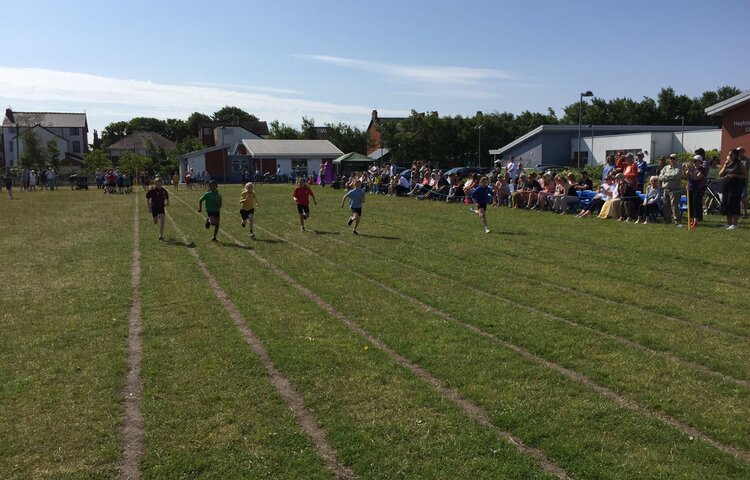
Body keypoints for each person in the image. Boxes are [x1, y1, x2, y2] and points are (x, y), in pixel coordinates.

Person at [719, 148, 747, 229]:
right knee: (726, 203)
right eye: (728, 154)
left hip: (735, 187)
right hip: (726, 186)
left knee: (733, 204)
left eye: (732, 154)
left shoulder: (739, 164)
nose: (730, 156)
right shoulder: (727, 164)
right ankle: (728, 223)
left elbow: (744, 176)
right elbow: (720, 174)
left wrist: (735, 175)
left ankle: (734, 224)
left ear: (736, 155)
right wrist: (725, 165)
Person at [658, 153, 684, 227]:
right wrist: (669, 177)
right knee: (666, 205)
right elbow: (660, 176)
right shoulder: (666, 167)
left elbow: (677, 175)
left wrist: (666, 176)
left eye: (674, 158)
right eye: (671, 158)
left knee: (674, 205)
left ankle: (677, 221)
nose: (672, 160)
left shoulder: (679, 167)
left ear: (676, 159)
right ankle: (667, 220)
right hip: (665, 188)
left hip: (675, 189)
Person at [684, 154, 707, 226]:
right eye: (693, 161)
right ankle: (691, 220)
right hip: (690, 188)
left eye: (695, 161)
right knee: (690, 204)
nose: (694, 162)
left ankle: (695, 221)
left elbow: (696, 178)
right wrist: (683, 168)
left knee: (695, 205)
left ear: (700, 161)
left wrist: (693, 170)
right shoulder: (692, 168)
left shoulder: (702, 169)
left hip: (697, 189)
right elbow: (685, 176)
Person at [738, 147, 750, 217]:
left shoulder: (747, 160)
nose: (739, 152)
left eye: (740, 151)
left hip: (743, 182)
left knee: (743, 197)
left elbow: (743, 170)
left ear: (743, 151)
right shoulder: (736, 160)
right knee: (737, 197)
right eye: (738, 151)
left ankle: (745, 212)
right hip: (736, 182)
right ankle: (738, 212)